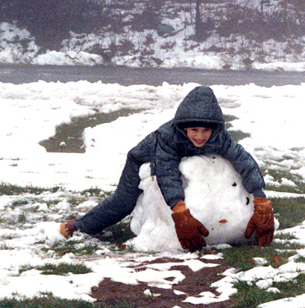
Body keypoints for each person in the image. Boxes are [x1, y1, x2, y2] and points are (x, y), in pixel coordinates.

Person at [59, 86, 274, 251]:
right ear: (183, 127)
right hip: (141, 160)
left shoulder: (219, 137)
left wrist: (261, 199)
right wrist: (180, 211)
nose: (200, 136)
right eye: (194, 130)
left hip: (185, 162)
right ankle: (80, 226)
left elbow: (243, 160)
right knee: (123, 202)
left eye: (205, 131)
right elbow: (167, 173)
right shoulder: (167, 138)